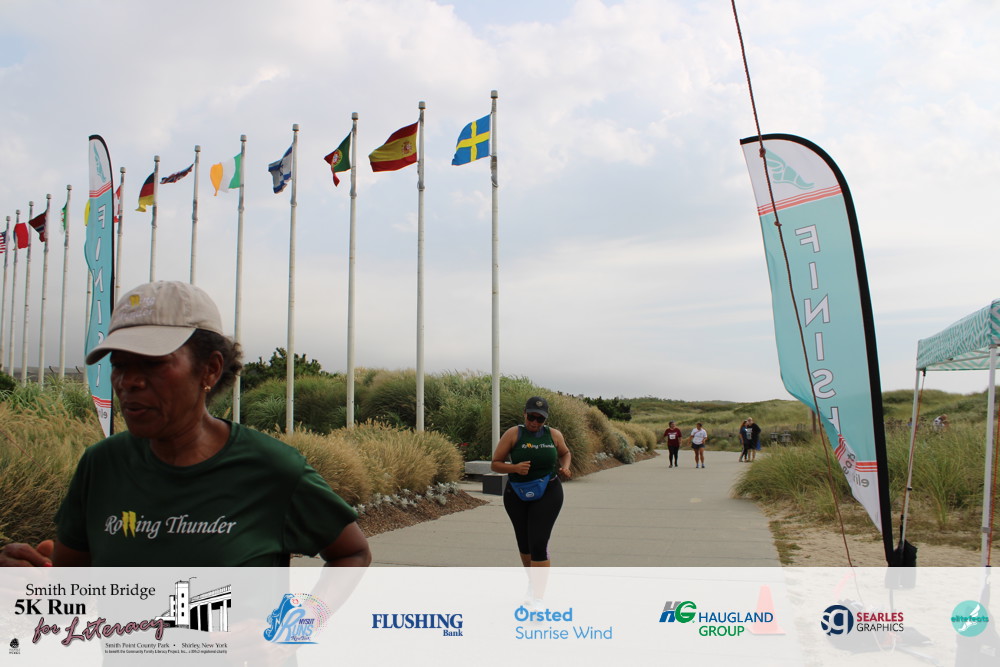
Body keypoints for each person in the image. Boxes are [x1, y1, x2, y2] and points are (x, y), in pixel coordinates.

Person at [0, 281, 371, 568]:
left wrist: (297, 622)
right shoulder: (101, 465)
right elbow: (72, 586)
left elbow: (352, 553)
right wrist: (33, 583)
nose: (129, 381)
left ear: (210, 369)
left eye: (152, 363)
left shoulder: (273, 469)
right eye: (120, 364)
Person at [492, 396, 572, 568]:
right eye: (531, 417)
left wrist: (565, 467)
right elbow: (495, 464)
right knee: (524, 543)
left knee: (538, 543)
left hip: (549, 490)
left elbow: (565, 453)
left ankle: (538, 586)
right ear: (524, 413)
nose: (535, 422)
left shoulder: (554, 435)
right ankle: (532, 580)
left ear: (546, 419)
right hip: (516, 493)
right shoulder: (513, 434)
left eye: (540, 419)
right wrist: (514, 468)